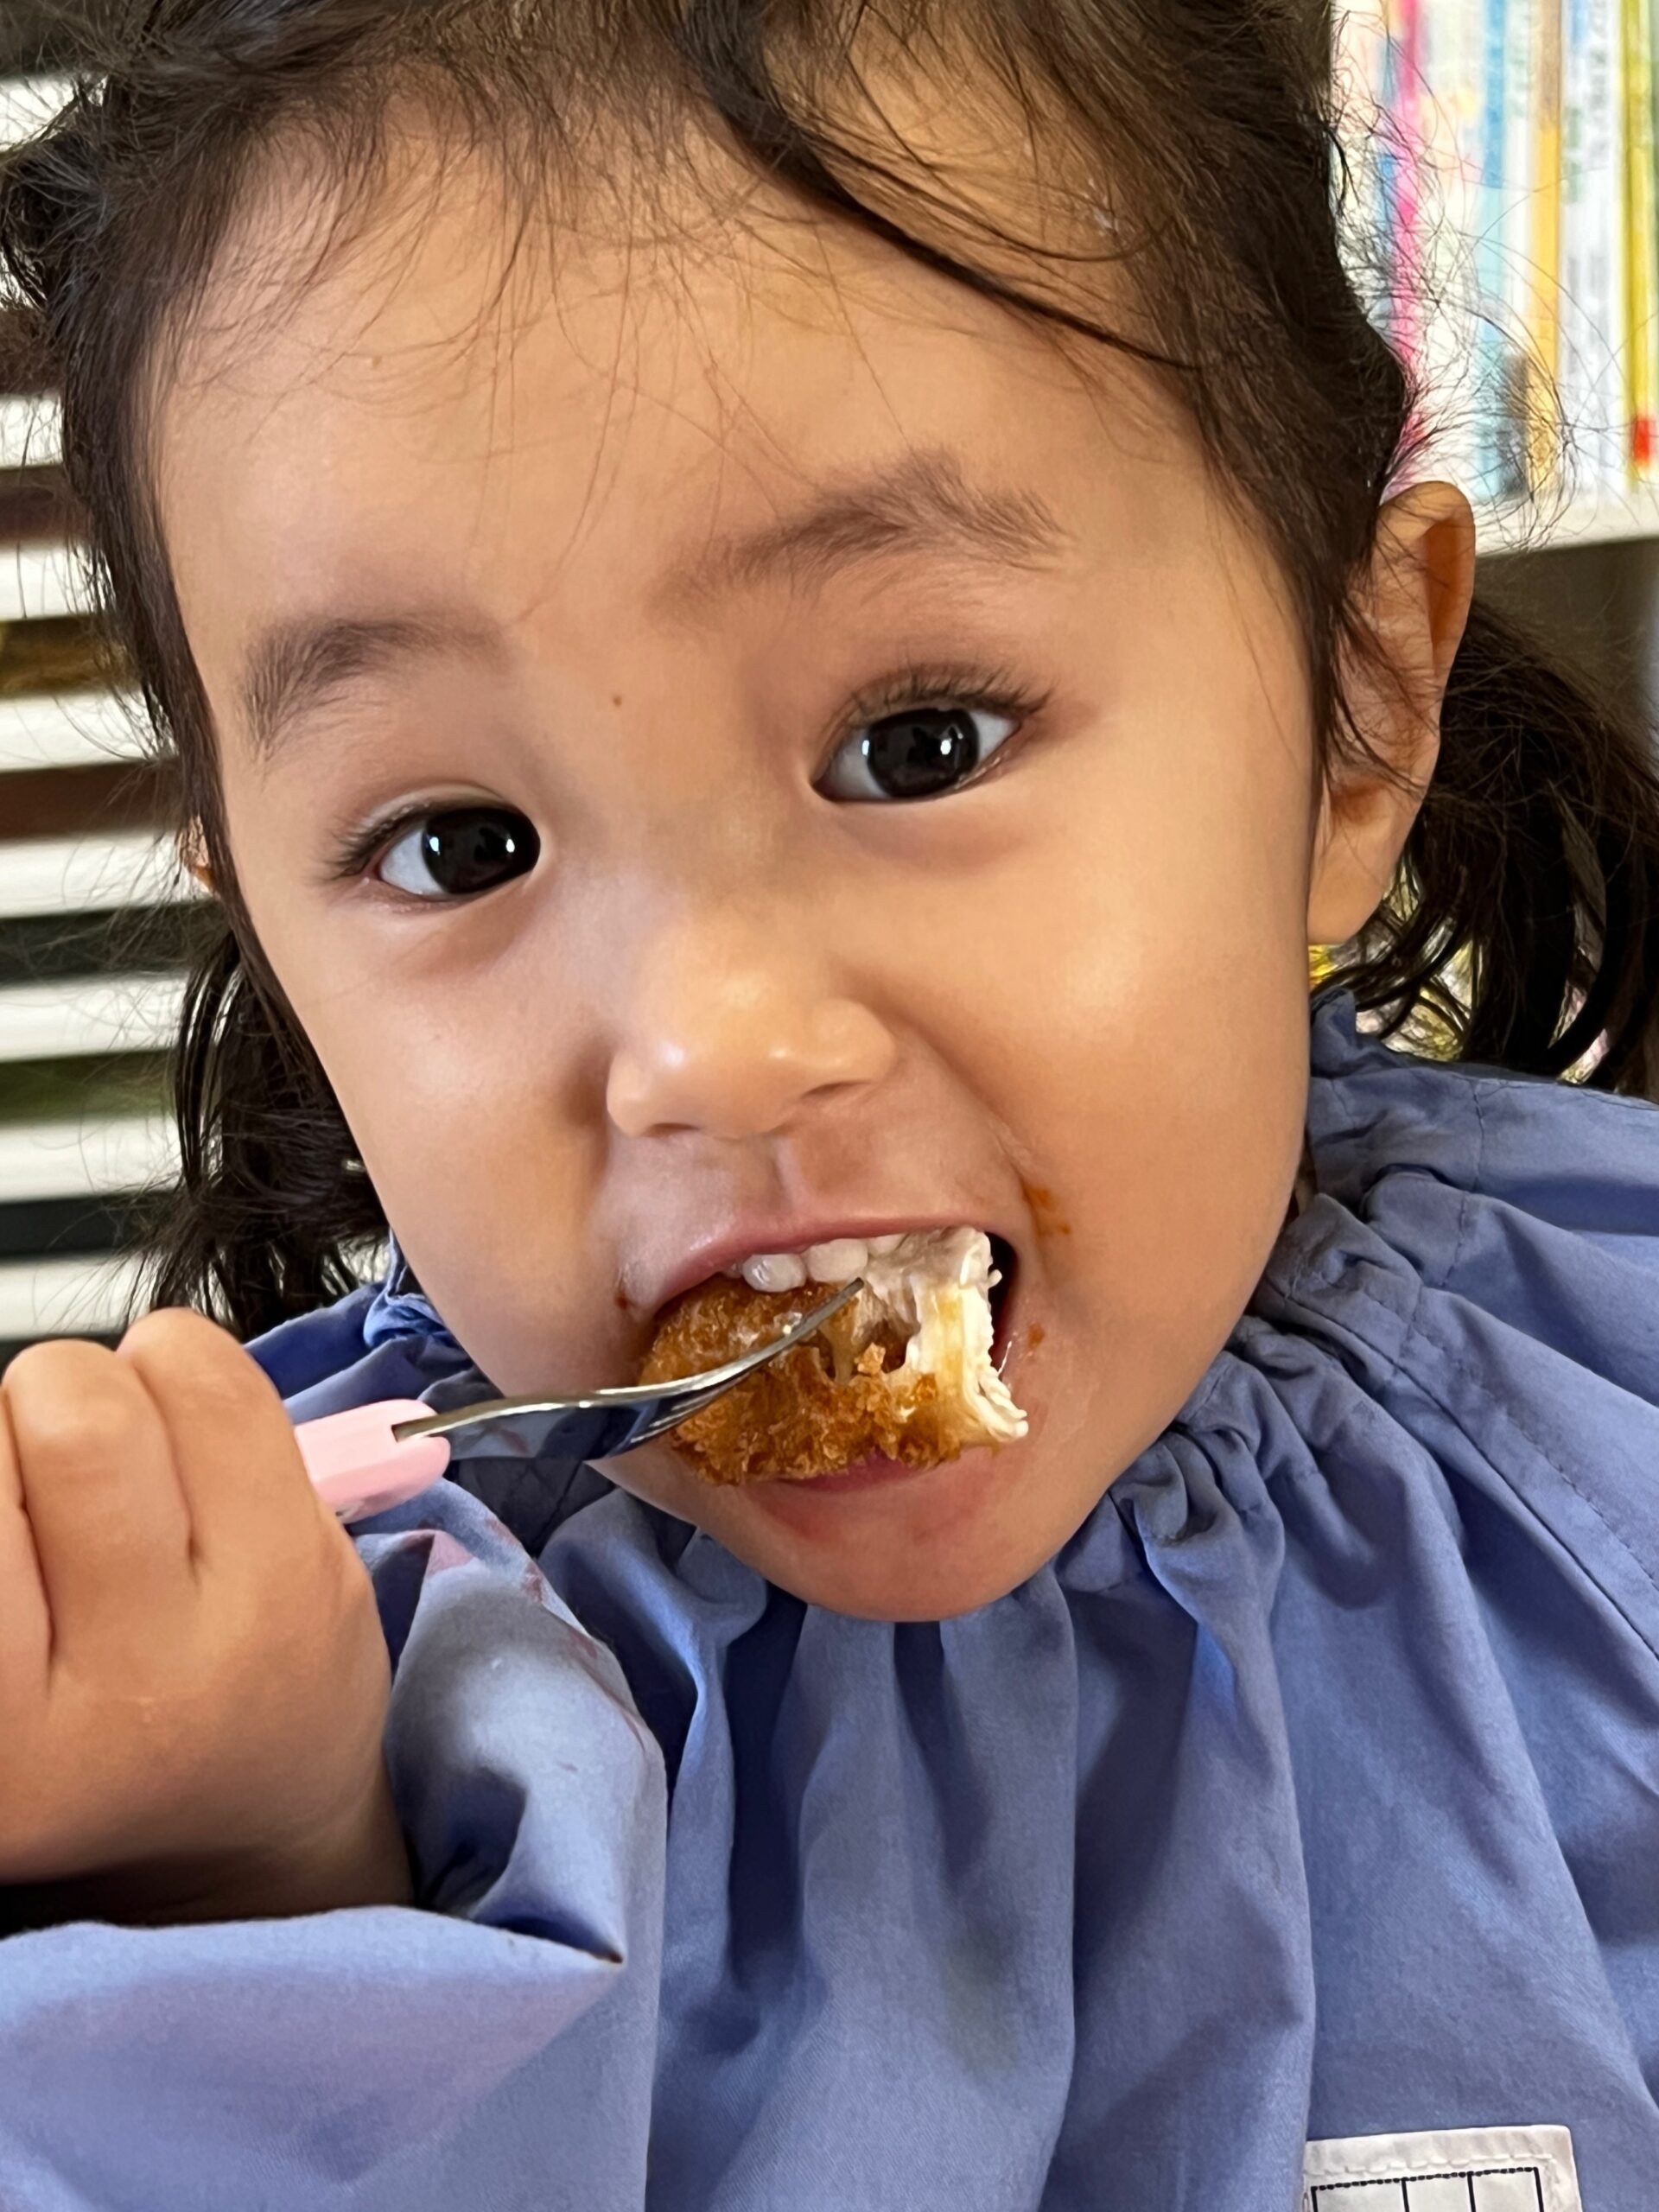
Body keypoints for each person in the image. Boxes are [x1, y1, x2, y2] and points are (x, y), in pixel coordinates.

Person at [2, 2, 1656, 2204]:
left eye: (922, 742)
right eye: (460, 846)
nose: (712, 1044)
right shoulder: (335, 1688)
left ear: (1356, 711)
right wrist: (253, 1883)